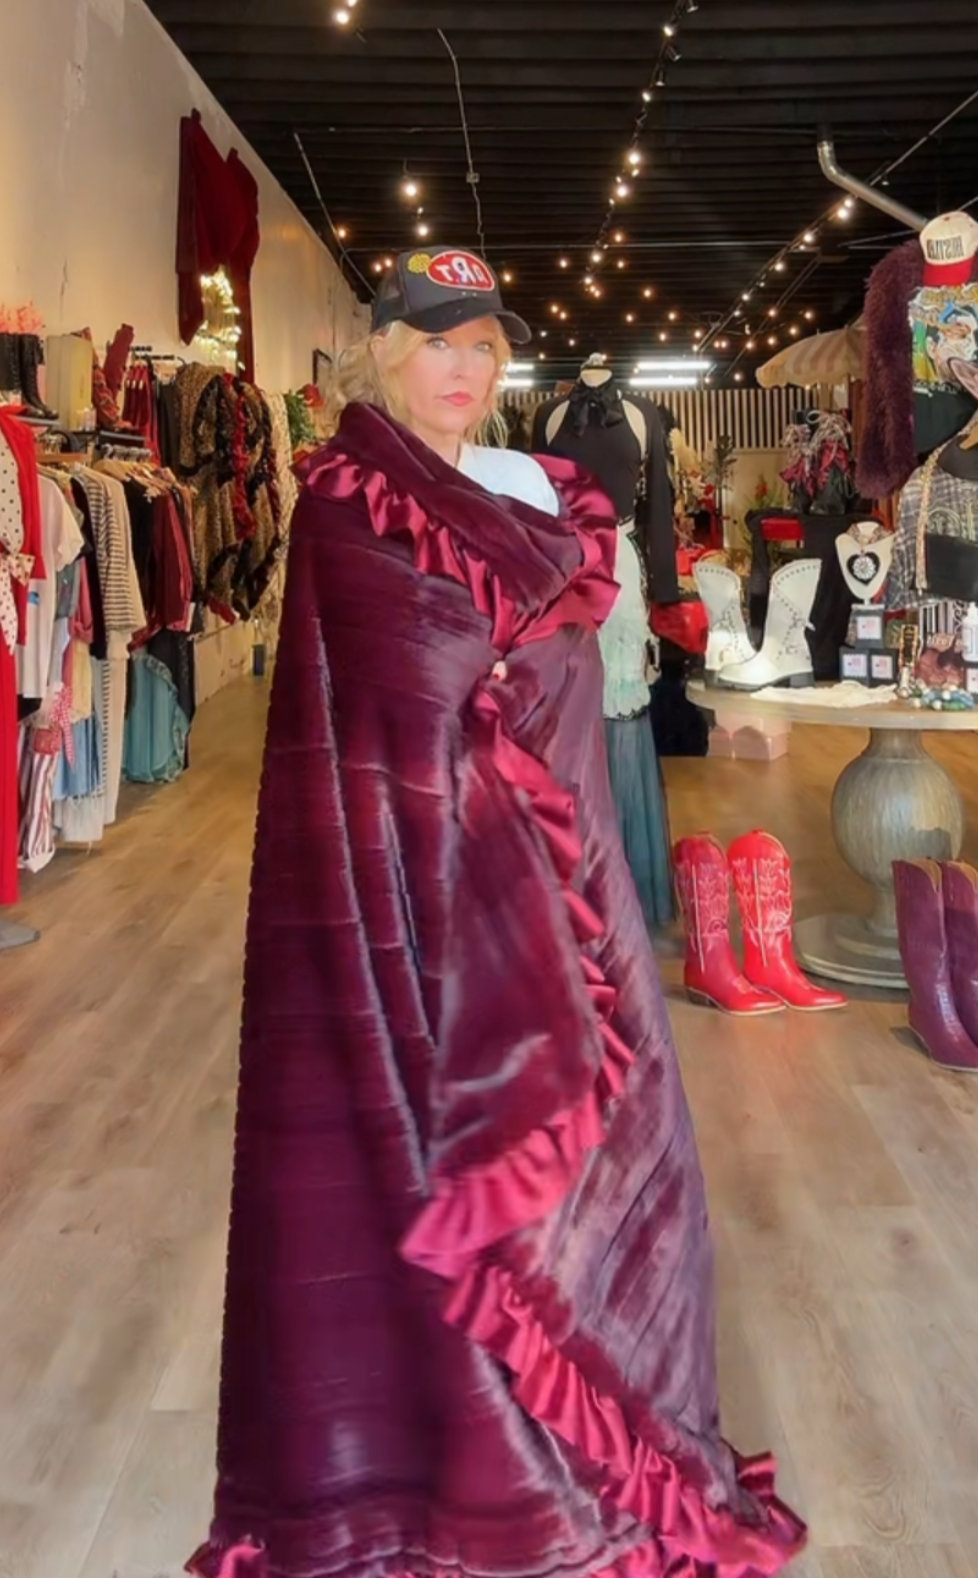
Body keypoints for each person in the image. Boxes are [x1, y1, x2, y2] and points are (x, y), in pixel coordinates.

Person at [188, 248, 805, 1578]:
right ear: (384, 352)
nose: (463, 368)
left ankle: (596, 1448)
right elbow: (370, 726)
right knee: (451, 1184)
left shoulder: (537, 490)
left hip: (562, 893)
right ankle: (457, 1476)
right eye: (438, 342)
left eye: (483, 347)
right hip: (421, 902)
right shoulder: (346, 506)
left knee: (619, 1170)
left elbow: (563, 700)